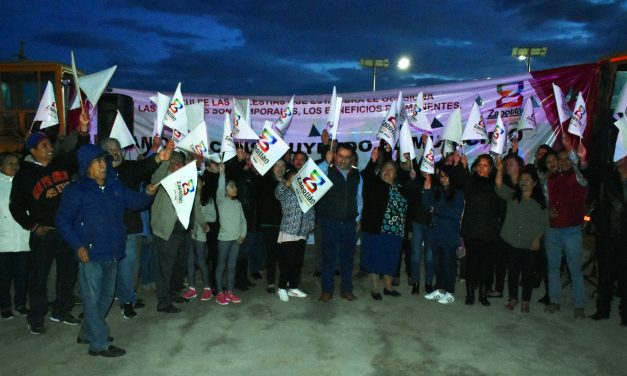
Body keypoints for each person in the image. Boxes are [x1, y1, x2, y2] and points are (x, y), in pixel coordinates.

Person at [56, 144, 156, 357]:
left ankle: (87, 332)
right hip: (90, 254)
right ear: (86, 166)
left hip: (113, 251)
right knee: (92, 301)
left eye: (104, 161)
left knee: (106, 297)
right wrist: (78, 245)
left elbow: (136, 203)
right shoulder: (76, 191)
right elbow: (63, 221)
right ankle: (98, 344)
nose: (103, 165)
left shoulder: (115, 186)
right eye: (98, 161)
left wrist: (147, 194)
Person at [10, 111, 90, 334]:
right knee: (39, 275)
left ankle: (62, 310)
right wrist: (32, 226)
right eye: (44, 146)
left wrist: (83, 130)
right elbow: (15, 207)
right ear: (33, 151)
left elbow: (79, 153)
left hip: (66, 230)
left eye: (49, 144)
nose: (49, 148)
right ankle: (36, 316)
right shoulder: (24, 175)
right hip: (44, 233)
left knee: (68, 271)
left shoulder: (60, 164)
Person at [100, 136, 172, 318]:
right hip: (105, 229)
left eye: (117, 147)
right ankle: (108, 302)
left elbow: (144, 166)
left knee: (130, 267)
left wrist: (159, 156)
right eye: (110, 149)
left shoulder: (130, 168)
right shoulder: (98, 173)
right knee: (105, 269)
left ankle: (127, 300)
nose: (115, 151)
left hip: (130, 228)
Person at [448, 153, 504, 306]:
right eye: (479, 164)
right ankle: (471, 294)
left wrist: (500, 170)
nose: (481, 168)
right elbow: (456, 178)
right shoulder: (471, 181)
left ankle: (483, 294)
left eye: (485, 165)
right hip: (472, 228)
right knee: (472, 263)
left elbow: (501, 188)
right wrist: (461, 165)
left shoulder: (495, 183)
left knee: (486, 264)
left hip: (489, 229)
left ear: (491, 168)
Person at [360, 147, 415, 300]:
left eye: (391, 170)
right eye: (385, 168)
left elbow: (408, 210)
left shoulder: (400, 189)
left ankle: (388, 287)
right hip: (376, 229)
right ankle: (375, 289)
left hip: (396, 232)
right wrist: (372, 162)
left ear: (396, 175)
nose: (388, 171)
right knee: (375, 259)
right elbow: (367, 175)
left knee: (391, 260)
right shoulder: (374, 184)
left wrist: (412, 175)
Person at [544, 135, 589, 318]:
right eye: (559, 159)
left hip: (571, 229)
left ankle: (579, 305)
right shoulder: (550, 180)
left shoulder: (578, 178)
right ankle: (554, 301)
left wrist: (569, 148)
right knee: (553, 267)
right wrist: (549, 210)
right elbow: (547, 200)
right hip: (553, 229)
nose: (561, 163)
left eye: (565, 159)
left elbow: (581, 171)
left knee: (574, 269)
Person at [495, 161, 548, 313]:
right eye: (522, 180)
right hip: (511, 241)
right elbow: (499, 186)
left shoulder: (539, 203)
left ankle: (525, 301)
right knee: (512, 272)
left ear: (534, 183)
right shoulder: (512, 196)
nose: (524, 182)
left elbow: (545, 223)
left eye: (527, 180)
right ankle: (513, 298)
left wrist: (537, 239)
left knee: (527, 274)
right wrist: (499, 170)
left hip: (529, 244)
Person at [150, 151, 197, 313]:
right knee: (165, 267)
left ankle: (173, 293)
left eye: (180, 163)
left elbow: (194, 204)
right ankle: (163, 302)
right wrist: (164, 162)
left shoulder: (186, 180)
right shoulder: (163, 180)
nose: (178, 165)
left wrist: (195, 225)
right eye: (174, 162)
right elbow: (154, 179)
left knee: (179, 265)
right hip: (167, 230)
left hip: (183, 229)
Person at [317, 143, 362, 302]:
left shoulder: (357, 175)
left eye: (347, 157)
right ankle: (327, 290)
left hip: (349, 223)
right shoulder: (326, 169)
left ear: (351, 158)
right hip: (329, 222)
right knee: (328, 258)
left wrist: (358, 218)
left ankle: (346, 289)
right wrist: (325, 162)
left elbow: (359, 198)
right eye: (340, 156)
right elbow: (313, 179)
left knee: (347, 259)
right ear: (335, 155)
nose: (343, 160)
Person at [589, 156, 627, 325]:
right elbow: (589, 174)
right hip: (607, 234)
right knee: (605, 274)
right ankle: (602, 309)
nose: (617, 158)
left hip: (624, 235)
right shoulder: (607, 178)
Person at [422, 167, 465, 304]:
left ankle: (449, 291)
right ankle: (440, 289)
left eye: (446, 176)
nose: (443, 179)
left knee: (449, 265)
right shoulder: (437, 191)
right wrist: (427, 190)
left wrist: (437, 210)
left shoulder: (458, 193)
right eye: (441, 176)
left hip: (449, 234)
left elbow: (455, 213)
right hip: (436, 234)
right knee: (438, 264)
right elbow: (426, 206)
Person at [274, 169, 315, 302]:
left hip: (302, 234)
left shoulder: (306, 193)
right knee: (287, 263)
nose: (296, 180)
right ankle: (281, 288)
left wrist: (310, 225)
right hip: (288, 232)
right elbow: (277, 193)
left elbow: (312, 211)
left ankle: (293, 287)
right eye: (293, 178)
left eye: (298, 177)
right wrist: (286, 183)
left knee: (297, 263)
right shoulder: (285, 193)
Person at [0, 152, 30, 319]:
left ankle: (20, 304)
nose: (14, 166)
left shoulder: (23, 183)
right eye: (10, 163)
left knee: (22, 275)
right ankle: (5, 306)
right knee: (4, 277)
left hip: (22, 238)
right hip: (3, 240)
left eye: (16, 163)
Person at [214, 163, 247, 305]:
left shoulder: (238, 203)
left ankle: (230, 292)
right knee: (221, 265)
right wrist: (222, 173)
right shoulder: (221, 200)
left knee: (232, 266)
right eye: (233, 187)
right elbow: (221, 187)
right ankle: (220, 293)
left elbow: (243, 221)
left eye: (235, 187)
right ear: (227, 190)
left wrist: (242, 235)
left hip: (236, 240)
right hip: (224, 239)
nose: (236, 189)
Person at [181, 178, 217, 301]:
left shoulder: (207, 198)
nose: (197, 185)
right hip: (189, 232)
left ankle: (208, 289)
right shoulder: (188, 196)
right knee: (190, 261)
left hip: (201, 233)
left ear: (203, 183)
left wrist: (199, 217)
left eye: (199, 182)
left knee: (201, 261)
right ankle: (192, 288)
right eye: (194, 182)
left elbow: (213, 217)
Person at [257, 160, 285, 293]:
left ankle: (284, 281)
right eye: (277, 165)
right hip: (269, 224)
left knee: (285, 255)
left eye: (283, 166)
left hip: (285, 225)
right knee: (271, 255)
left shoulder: (289, 182)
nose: (280, 168)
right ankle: (271, 282)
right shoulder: (265, 181)